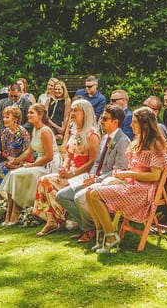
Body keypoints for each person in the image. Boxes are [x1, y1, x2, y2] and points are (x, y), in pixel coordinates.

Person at [85, 107, 167, 253]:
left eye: (135, 122)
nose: (131, 125)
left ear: (145, 124)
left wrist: (128, 174)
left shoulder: (155, 145)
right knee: (89, 192)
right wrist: (122, 174)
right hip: (131, 184)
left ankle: (110, 237)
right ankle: (102, 235)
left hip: (143, 192)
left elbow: (154, 176)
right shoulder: (138, 141)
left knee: (95, 194)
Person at [56, 104, 130, 242]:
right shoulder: (104, 138)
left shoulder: (123, 141)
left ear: (115, 122)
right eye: (101, 117)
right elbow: (96, 162)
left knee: (79, 197)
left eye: (105, 119)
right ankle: (89, 228)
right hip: (95, 177)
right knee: (62, 196)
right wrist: (91, 175)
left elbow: (118, 171)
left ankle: (91, 230)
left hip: (110, 183)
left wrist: (95, 180)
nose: (101, 121)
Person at [33, 99, 100, 236]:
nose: (73, 113)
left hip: (84, 176)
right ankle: (53, 221)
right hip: (71, 173)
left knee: (49, 183)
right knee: (43, 180)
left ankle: (60, 221)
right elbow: (69, 155)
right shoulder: (74, 131)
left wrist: (73, 173)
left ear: (85, 113)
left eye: (76, 110)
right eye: (72, 110)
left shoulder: (92, 134)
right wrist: (64, 168)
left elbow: (93, 161)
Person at [0, 104, 61, 225]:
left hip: (49, 166)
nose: (28, 115)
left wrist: (31, 165)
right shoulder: (35, 129)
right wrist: (15, 161)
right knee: (12, 173)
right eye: (28, 113)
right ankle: (9, 212)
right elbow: (29, 150)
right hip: (40, 164)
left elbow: (49, 156)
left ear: (41, 115)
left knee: (18, 175)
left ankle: (15, 212)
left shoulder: (45, 131)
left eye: (32, 113)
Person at [0, 106, 30, 220]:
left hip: (21, 163)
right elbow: (4, 151)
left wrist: (16, 163)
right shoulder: (5, 132)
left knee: (0, 171)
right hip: (9, 162)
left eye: (7, 117)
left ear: (15, 118)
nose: (4, 120)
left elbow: (28, 153)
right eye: (4, 117)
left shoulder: (23, 133)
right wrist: (8, 160)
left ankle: (7, 207)